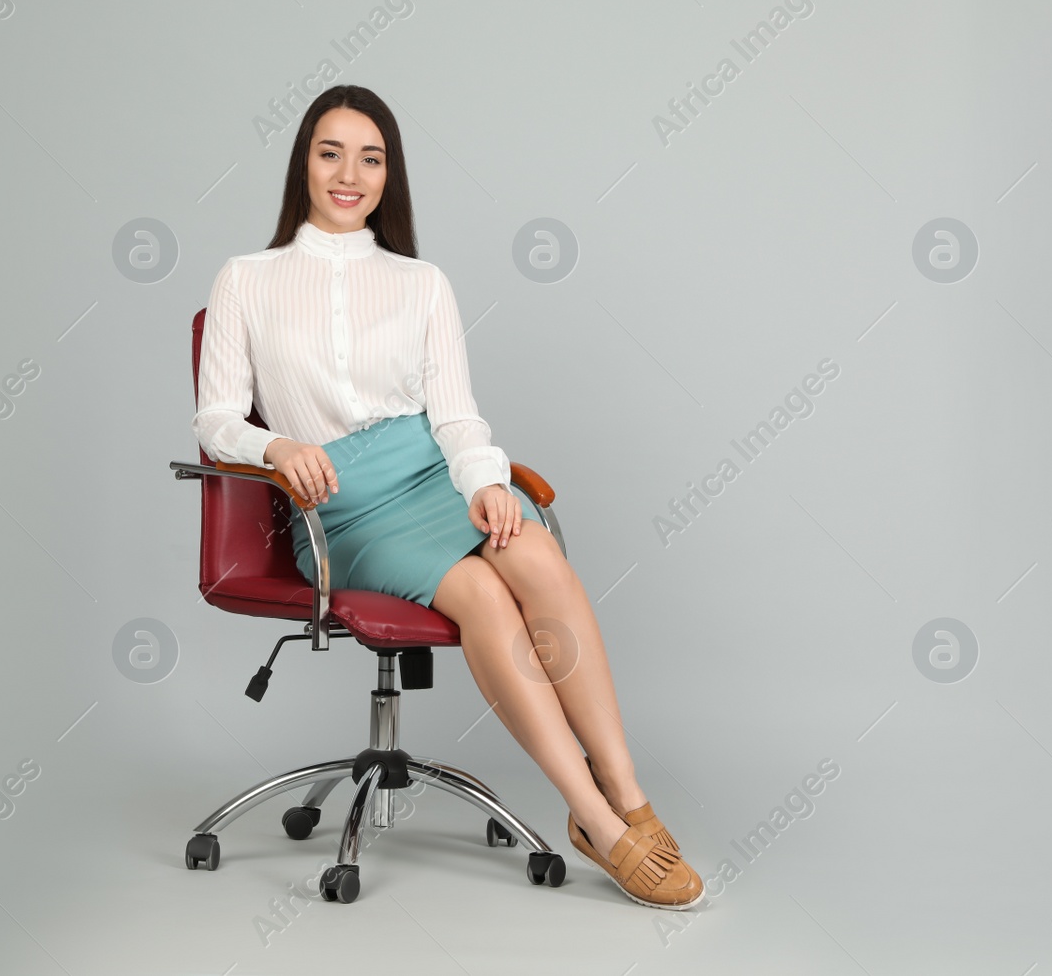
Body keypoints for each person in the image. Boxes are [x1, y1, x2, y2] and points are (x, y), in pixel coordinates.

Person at [191, 84, 702, 910]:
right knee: (478, 595)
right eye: (331, 153)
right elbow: (216, 419)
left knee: (530, 550)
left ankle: (627, 795)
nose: (349, 174)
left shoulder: (422, 282)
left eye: (371, 157)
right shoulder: (248, 278)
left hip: (427, 472)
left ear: (389, 173)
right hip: (346, 507)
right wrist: (277, 446)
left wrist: (487, 486)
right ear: (303, 164)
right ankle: (595, 824)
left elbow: (457, 419)